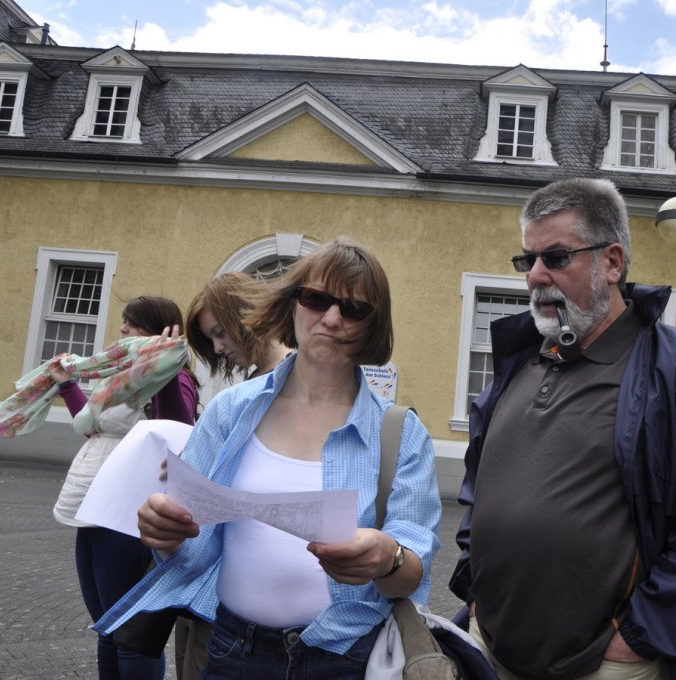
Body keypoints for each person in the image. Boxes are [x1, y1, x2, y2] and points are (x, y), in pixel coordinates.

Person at [449, 178, 676, 680]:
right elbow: (478, 492)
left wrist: (638, 637)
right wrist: (474, 589)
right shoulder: (518, 363)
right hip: (492, 649)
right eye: (527, 259)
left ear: (612, 262)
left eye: (556, 257)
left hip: (603, 664)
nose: (535, 276)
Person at [95, 238, 443, 680]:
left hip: (346, 658)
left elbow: (412, 573)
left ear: (372, 325)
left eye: (354, 309)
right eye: (317, 299)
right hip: (233, 652)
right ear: (293, 304)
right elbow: (189, 545)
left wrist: (387, 558)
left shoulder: (401, 433)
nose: (332, 318)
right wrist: (163, 532)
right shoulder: (231, 411)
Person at [48, 295, 199, 680]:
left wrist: (166, 366)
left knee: (131, 632)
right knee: (106, 626)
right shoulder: (124, 377)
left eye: (132, 323)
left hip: (128, 513)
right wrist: (67, 385)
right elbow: (95, 427)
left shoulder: (174, 377)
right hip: (93, 507)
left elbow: (179, 429)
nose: (122, 330)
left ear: (155, 330)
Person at [169, 272, 292, 680]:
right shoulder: (247, 387)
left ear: (249, 315)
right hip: (204, 577)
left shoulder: (294, 388)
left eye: (220, 333)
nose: (219, 347)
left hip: (235, 593)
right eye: (211, 339)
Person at [186, 271, 292, 382]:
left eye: (219, 332)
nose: (217, 348)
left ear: (245, 314)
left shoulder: (296, 372)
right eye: (210, 339)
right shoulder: (253, 382)